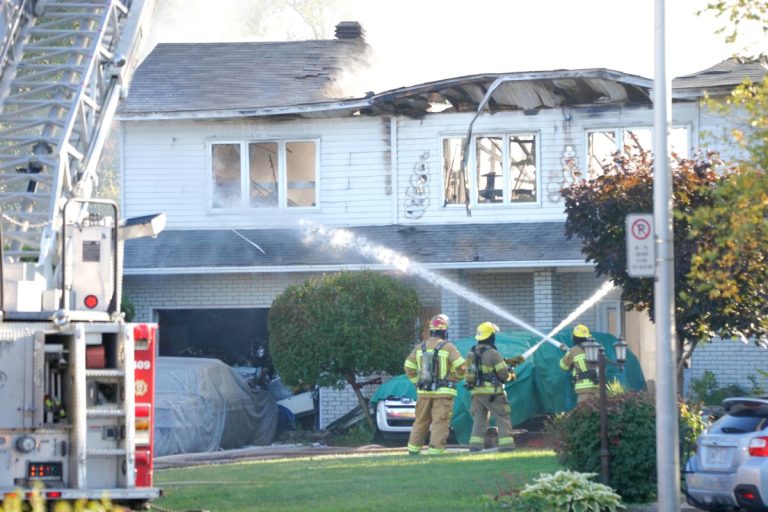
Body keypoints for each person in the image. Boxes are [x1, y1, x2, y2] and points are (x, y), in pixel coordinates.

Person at [403, 314, 466, 456]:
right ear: (445, 331)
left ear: (431, 331)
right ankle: (436, 452)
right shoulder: (448, 347)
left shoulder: (420, 347)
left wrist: (416, 382)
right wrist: (456, 378)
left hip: (423, 393)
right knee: (440, 422)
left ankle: (413, 451)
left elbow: (408, 367)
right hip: (443, 394)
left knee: (420, 422)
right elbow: (462, 367)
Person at [464, 322, 517, 452]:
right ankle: (507, 445)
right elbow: (503, 375)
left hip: (476, 392)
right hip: (493, 393)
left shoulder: (471, 352)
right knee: (502, 416)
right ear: (491, 336)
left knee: (480, 418)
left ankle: (475, 446)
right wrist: (511, 374)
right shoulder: (493, 353)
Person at [559, 323, 599, 403]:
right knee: (599, 413)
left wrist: (568, 353)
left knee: (585, 413)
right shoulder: (595, 348)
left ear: (575, 337)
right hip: (598, 387)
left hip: (583, 389)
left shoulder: (573, 351)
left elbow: (563, 366)